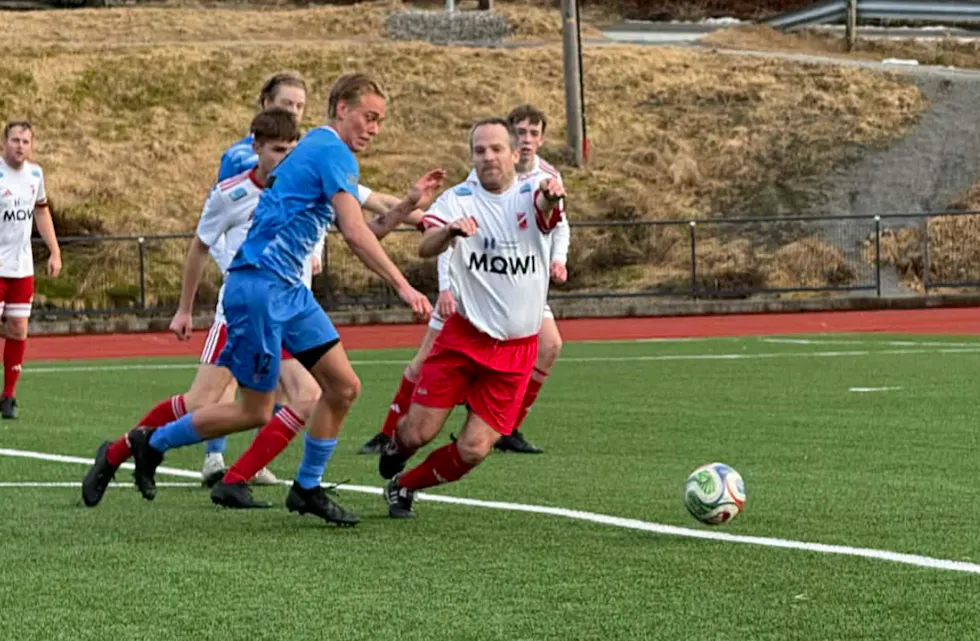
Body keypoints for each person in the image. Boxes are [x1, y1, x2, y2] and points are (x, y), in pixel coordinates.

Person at [86, 73, 441, 528]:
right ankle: (151, 444)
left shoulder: (322, 153)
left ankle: (306, 487)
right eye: (369, 117)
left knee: (343, 387)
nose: (374, 128)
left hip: (287, 291)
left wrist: (409, 202)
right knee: (252, 409)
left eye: (380, 121)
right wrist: (403, 285)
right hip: (258, 288)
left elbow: (362, 230)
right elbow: (354, 235)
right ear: (341, 110)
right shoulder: (329, 151)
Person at [378, 117, 565, 519]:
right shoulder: (456, 199)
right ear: (472, 157)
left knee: (475, 449)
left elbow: (547, 211)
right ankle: (396, 447)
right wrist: (449, 233)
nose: (488, 157)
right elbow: (425, 246)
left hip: (516, 351)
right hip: (463, 339)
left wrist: (552, 197)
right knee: (417, 433)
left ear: (515, 154)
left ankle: (404, 487)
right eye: (480, 150)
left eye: (497, 148)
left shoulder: (535, 191)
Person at [0, 121, 62, 419]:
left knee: (18, 328)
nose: (20, 146)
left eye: (25, 141)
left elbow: (41, 210)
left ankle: (8, 396)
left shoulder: (35, 174)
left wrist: (54, 250)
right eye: (15, 140)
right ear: (4, 143)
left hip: (22, 267)